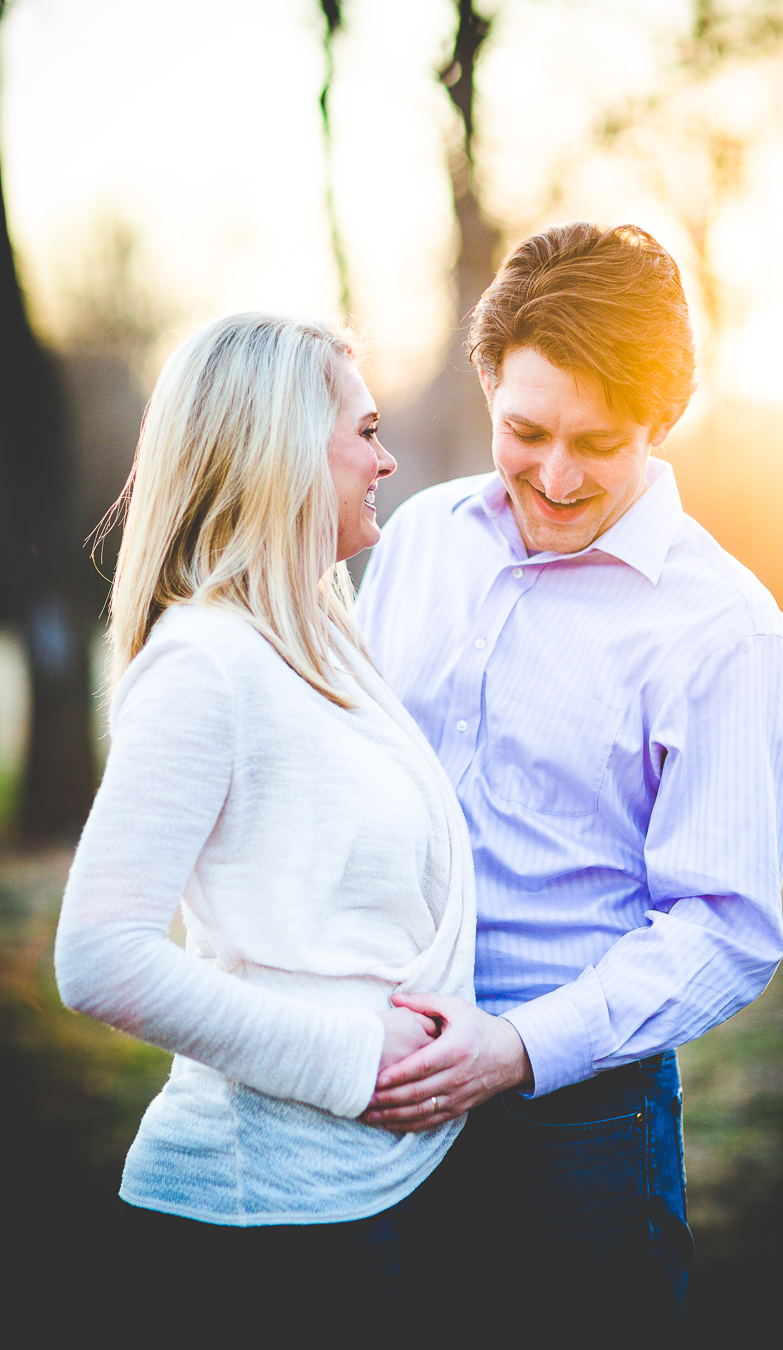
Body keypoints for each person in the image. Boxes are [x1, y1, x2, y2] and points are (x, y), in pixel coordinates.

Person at [355, 222, 783, 1338]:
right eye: (525, 432)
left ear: (661, 425)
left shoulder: (729, 636)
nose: (555, 479)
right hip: (369, 1090)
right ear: (487, 383)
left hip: (575, 1133)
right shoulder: (416, 539)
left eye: (598, 443)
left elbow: (724, 929)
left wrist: (516, 1049)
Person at [53, 313, 476, 1334]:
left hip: (369, 1198)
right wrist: (348, 1056)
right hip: (266, 1229)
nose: (387, 459)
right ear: (286, 450)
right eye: (366, 432)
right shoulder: (206, 667)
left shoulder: (323, 641)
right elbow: (99, 958)